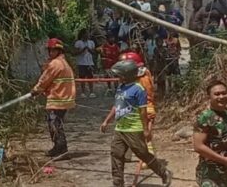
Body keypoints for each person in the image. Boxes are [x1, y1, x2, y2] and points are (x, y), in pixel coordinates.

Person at [100, 59, 173, 187]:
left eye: (119, 75)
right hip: (120, 128)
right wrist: (107, 121)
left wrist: (146, 129)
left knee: (142, 153)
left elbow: (143, 111)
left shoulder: (138, 89)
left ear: (126, 75)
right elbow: (116, 106)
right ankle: (118, 183)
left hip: (134, 128)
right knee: (116, 154)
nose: (118, 77)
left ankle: (163, 172)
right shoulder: (120, 87)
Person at [30, 38, 76, 158]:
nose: (51, 53)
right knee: (55, 123)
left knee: (54, 124)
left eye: (53, 50)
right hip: (62, 98)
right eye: (50, 50)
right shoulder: (63, 63)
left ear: (59, 50)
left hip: (58, 99)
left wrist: (36, 90)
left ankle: (61, 150)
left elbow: (45, 79)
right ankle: (58, 148)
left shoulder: (56, 64)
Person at [193, 80, 227, 187]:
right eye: (217, 94)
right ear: (209, 97)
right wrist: (224, 160)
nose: (221, 96)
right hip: (210, 174)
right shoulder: (204, 117)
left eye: (224, 93)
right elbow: (198, 146)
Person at [74, 29, 96, 98]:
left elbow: (94, 52)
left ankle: (91, 91)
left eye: (88, 34)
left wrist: (89, 49)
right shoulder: (78, 43)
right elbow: (75, 53)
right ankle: (83, 92)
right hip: (81, 63)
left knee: (90, 77)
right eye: (86, 33)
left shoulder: (91, 42)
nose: (87, 35)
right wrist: (83, 49)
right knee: (82, 77)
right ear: (83, 35)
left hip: (89, 62)